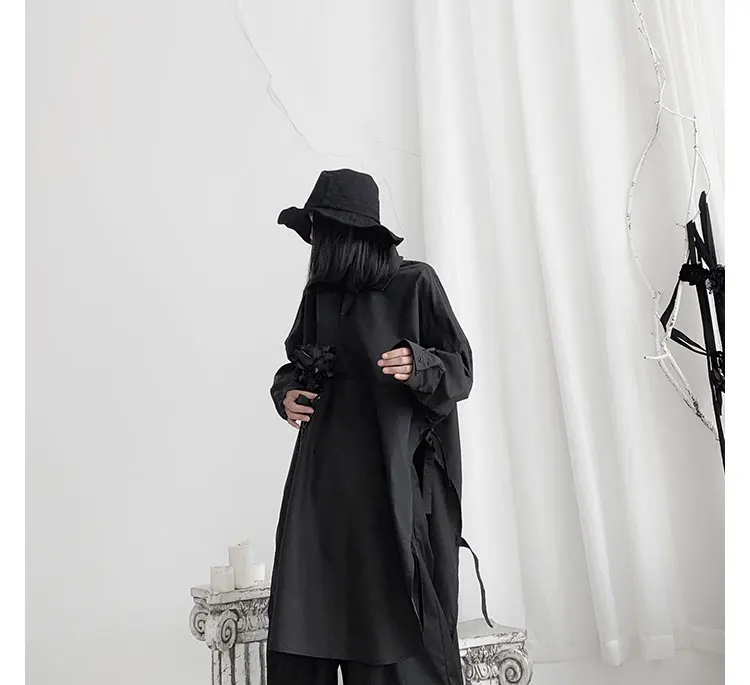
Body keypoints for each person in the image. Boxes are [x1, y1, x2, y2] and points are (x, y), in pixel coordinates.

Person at [268, 169, 486, 685]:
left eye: (322, 232)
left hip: (388, 482)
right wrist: (286, 393)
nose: (316, 246)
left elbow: (460, 369)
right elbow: (296, 363)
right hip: (319, 488)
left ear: (351, 236)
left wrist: (418, 362)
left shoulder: (415, 283)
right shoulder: (319, 296)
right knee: (306, 611)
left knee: (387, 618)